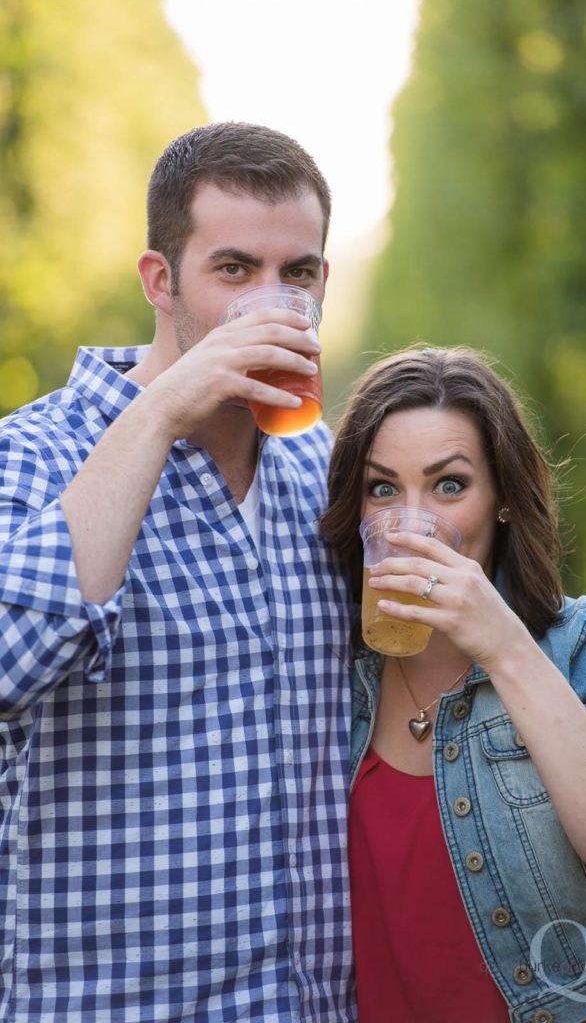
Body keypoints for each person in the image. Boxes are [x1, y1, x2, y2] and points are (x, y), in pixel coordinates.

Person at [0, 123, 355, 1021]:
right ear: (160, 281)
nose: (273, 302)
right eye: (235, 270)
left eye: (299, 274)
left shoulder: (331, 472)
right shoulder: (31, 455)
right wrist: (163, 411)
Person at [321, 345, 586, 1023]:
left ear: (507, 501)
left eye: (449, 485)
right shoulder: (330, 682)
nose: (408, 522)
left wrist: (502, 642)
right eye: (382, 488)